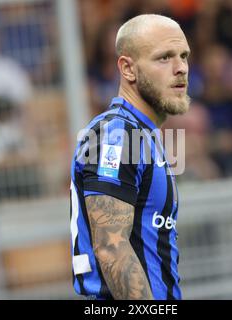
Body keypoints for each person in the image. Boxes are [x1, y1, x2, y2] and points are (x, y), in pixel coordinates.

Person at [69, 14, 190, 300]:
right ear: (128, 69)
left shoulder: (141, 134)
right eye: (164, 58)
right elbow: (111, 246)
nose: (181, 68)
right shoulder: (116, 135)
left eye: (184, 56)